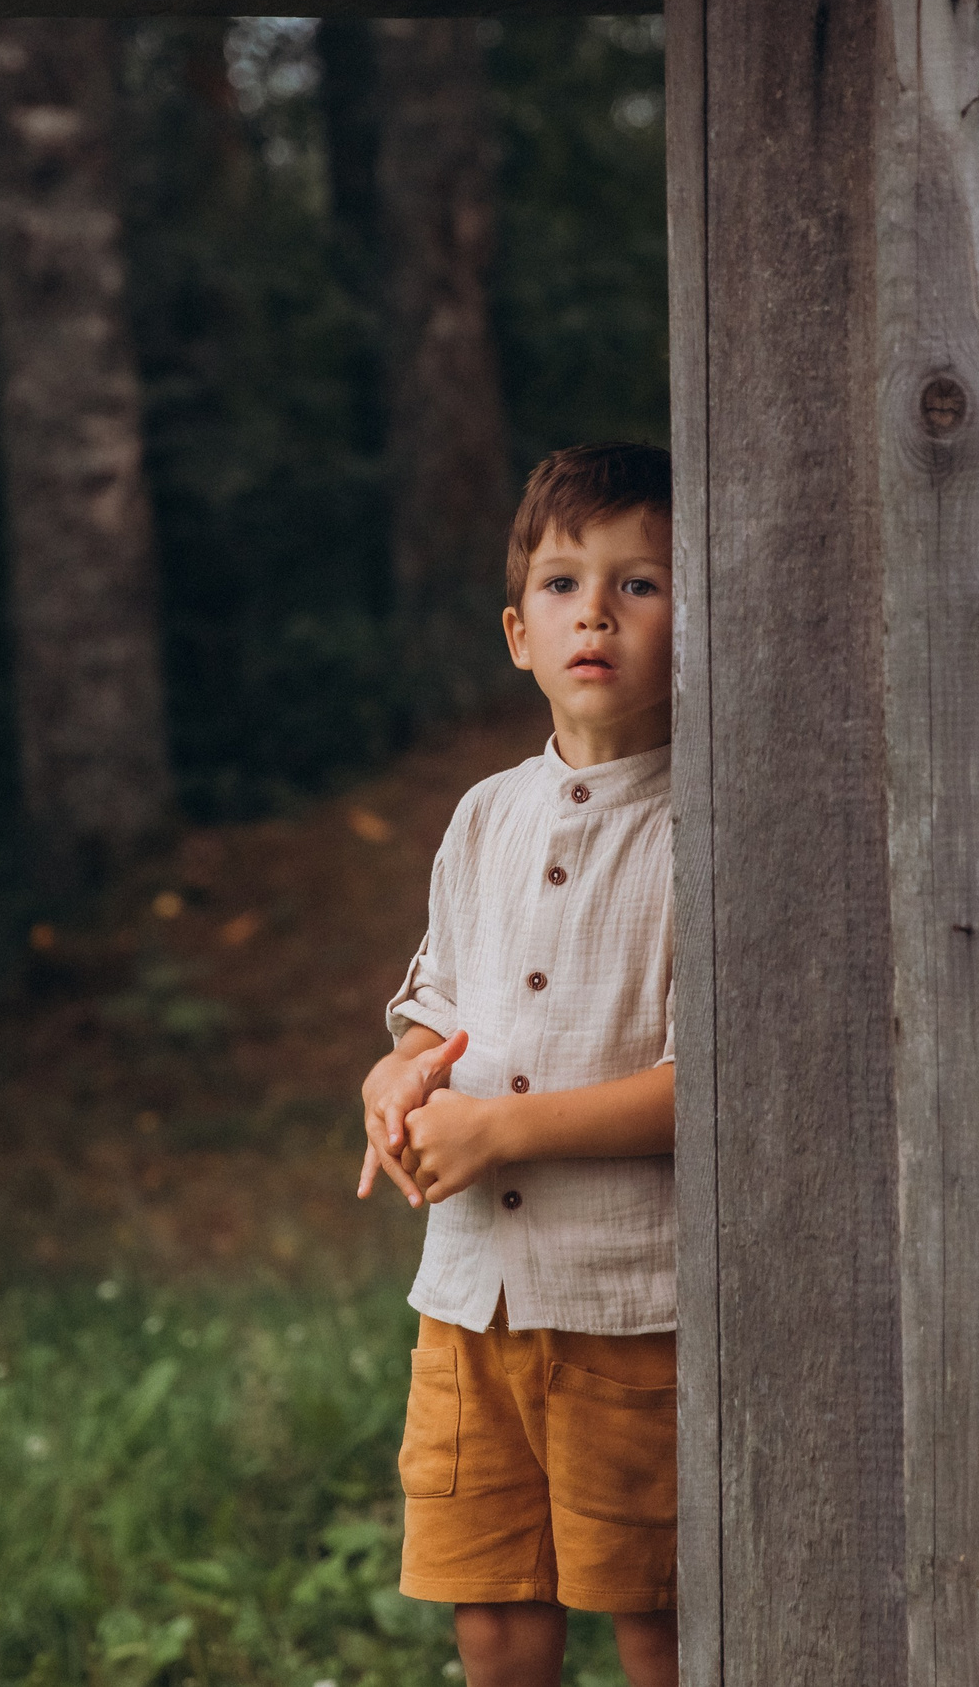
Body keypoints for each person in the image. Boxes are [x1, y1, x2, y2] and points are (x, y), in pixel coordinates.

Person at [356, 442, 679, 1687]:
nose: (593, 611)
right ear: (516, 632)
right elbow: (434, 1009)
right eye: (561, 583)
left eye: (638, 583)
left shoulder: (705, 822)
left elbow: (713, 1083)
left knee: (651, 1610)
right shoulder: (484, 814)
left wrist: (499, 1135)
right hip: (470, 1299)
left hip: (628, 1301)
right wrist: (395, 1082)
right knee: (489, 1609)